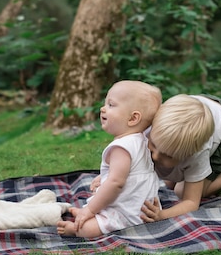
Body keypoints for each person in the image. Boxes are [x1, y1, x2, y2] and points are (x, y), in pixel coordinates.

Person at [140, 94, 221, 222]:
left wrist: (161, 215)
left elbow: (191, 202)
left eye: (168, 155)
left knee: (181, 190)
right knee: (169, 182)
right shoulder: (151, 129)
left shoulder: (198, 154)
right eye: (153, 144)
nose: (155, 156)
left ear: (189, 154)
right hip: (195, 108)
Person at [57, 80, 162, 237]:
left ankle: (75, 229)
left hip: (128, 213)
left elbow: (116, 183)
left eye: (111, 105)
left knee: (89, 229)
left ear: (133, 118)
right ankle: (88, 213)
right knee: (102, 197)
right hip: (142, 207)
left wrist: (90, 210)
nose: (103, 108)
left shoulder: (121, 148)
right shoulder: (141, 140)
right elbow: (129, 172)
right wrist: (103, 177)